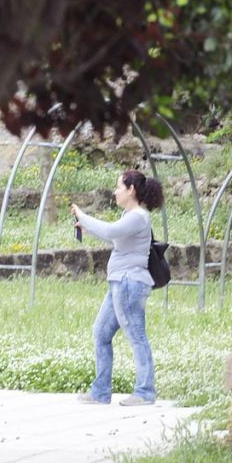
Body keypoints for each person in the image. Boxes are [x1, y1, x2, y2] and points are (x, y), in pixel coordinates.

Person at [71, 170, 165, 406]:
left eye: (118, 187)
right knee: (101, 332)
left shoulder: (138, 217)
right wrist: (87, 225)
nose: (115, 191)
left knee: (136, 335)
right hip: (119, 283)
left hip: (129, 283)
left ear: (131, 190)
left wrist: (83, 214)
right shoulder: (128, 215)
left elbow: (111, 231)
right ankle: (100, 391)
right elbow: (115, 239)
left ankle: (145, 391)